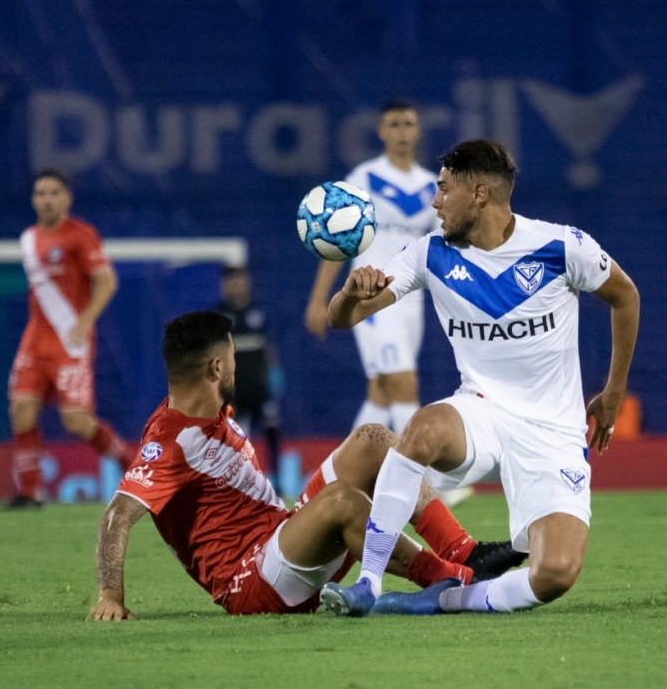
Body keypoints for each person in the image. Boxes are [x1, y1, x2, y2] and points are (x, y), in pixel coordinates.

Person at [319, 139, 640, 617]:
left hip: (552, 434)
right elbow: (342, 318)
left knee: (554, 574)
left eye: (443, 190)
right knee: (421, 429)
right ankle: (368, 581)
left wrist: (613, 393)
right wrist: (348, 294)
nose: (434, 203)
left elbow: (626, 296)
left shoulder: (561, 246)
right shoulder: (429, 254)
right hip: (482, 412)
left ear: (480, 194)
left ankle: (446, 599)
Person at [87, 310, 525, 620]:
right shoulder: (171, 441)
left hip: (282, 541)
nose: (239, 365)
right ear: (217, 367)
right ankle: (457, 579)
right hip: (252, 582)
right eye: (234, 357)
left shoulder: (211, 414)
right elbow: (118, 515)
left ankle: (463, 551)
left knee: (373, 440)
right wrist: (111, 595)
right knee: (342, 501)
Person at [304, 99, 439, 436]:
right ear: (381, 131)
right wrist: (318, 300)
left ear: (418, 130)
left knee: (381, 393)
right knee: (404, 384)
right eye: (394, 124)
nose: (402, 131)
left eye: (408, 123)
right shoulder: (364, 178)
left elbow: (441, 245)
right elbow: (335, 240)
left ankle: (340, 478)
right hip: (372, 297)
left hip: (411, 300)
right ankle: (422, 480)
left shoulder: (432, 186)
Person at [5, 169, 134, 509]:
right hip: (34, 341)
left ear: (67, 198)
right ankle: (31, 493)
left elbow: (107, 281)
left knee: (76, 421)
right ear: (33, 200)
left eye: (53, 193)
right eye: (40, 193)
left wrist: (85, 320)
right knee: (21, 410)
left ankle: (133, 469)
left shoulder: (80, 235)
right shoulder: (29, 239)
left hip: (69, 341)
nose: (46, 200)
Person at [214, 263, 283, 491]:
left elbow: (270, 348)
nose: (236, 284)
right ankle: (236, 484)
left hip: (261, 390)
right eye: (231, 280)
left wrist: (275, 377)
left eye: (240, 279)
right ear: (224, 285)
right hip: (235, 392)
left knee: (273, 428)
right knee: (236, 438)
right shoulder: (218, 315)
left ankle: (278, 481)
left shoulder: (260, 313)